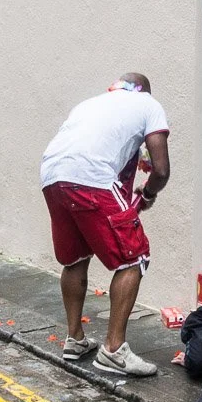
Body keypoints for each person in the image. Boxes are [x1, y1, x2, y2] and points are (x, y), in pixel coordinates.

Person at [40, 73, 170, 377]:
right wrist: (148, 193)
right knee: (134, 257)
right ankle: (113, 351)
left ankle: (75, 339)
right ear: (144, 92)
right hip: (92, 178)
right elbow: (161, 169)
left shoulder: (91, 104)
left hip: (52, 176)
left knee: (75, 258)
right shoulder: (148, 105)